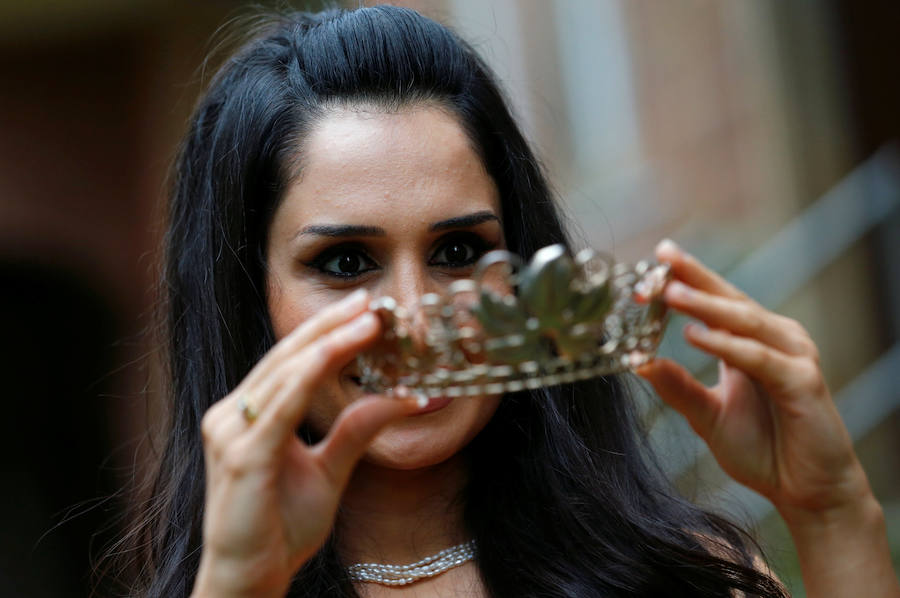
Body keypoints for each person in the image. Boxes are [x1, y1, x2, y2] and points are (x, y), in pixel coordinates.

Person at [113, 6, 899, 597]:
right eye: (346, 261)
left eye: (459, 252)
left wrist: (830, 511)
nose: (417, 317)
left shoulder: (681, 580)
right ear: (251, 299)